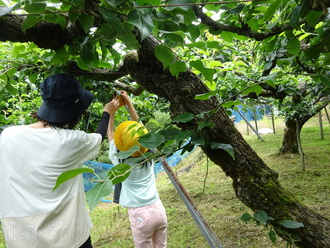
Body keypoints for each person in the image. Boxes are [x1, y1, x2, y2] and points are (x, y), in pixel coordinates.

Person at [0, 73, 113, 248]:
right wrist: (108, 112)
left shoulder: (7, 136)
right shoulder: (70, 141)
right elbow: (99, 136)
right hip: (70, 238)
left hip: (22, 239)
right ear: (75, 113)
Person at [107, 91, 168, 248]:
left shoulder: (119, 159)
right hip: (158, 208)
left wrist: (111, 114)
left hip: (140, 214)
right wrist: (129, 103)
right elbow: (140, 130)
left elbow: (110, 135)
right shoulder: (147, 152)